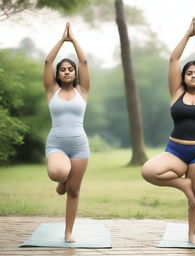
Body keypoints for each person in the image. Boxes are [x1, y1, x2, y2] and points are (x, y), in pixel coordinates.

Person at [141, 17, 195, 244]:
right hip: (175, 150)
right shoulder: (176, 92)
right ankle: (182, 184)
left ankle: (192, 234)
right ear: (183, 77)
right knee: (149, 171)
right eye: (189, 73)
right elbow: (173, 59)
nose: (193, 76)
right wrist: (188, 34)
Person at [44, 23, 90, 243]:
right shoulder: (52, 90)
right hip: (57, 144)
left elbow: (84, 62)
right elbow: (47, 61)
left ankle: (68, 231)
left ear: (75, 73)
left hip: (80, 146)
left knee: (73, 191)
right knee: (57, 173)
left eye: (70, 69)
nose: (67, 72)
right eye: (63, 69)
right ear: (58, 74)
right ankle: (62, 178)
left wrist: (74, 40)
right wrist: (62, 40)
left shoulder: (83, 91)